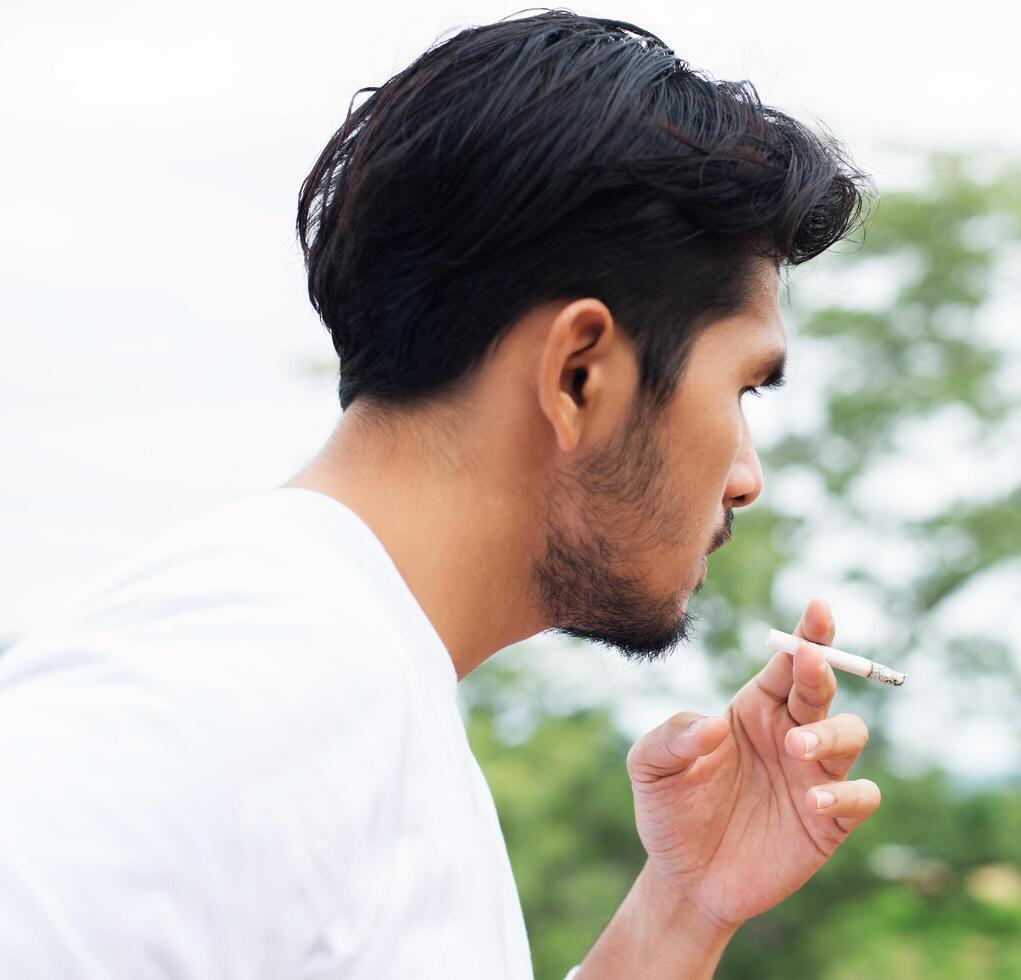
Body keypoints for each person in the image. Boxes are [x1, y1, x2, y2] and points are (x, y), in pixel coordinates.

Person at [0, 9, 881, 978]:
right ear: (578, 372)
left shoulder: (361, 686)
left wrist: (678, 915)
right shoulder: (254, 686)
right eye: (743, 388)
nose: (746, 475)